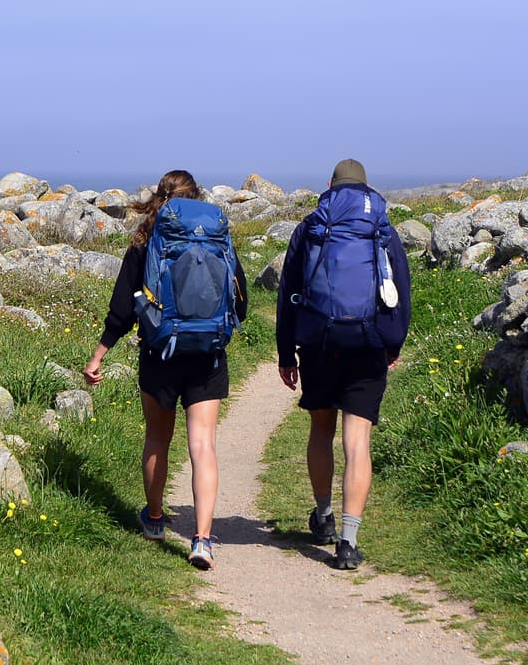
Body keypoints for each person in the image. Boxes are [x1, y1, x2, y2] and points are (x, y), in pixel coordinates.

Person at [83, 169, 247, 570]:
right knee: (203, 446)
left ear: (160, 197)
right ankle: (203, 540)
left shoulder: (145, 240)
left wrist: (99, 354)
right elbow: (239, 300)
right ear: (197, 198)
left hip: (159, 354)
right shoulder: (216, 238)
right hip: (207, 355)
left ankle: (154, 521)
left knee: (158, 438)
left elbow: (122, 308)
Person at [275, 158, 411, 570]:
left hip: (318, 342)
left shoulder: (313, 226)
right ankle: (348, 543)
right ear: (366, 188)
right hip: (367, 343)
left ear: (331, 185)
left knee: (321, 429)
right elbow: (399, 288)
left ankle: (323, 517)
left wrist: (286, 352)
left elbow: (289, 291)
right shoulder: (380, 228)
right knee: (358, 441)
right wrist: (392, 344)